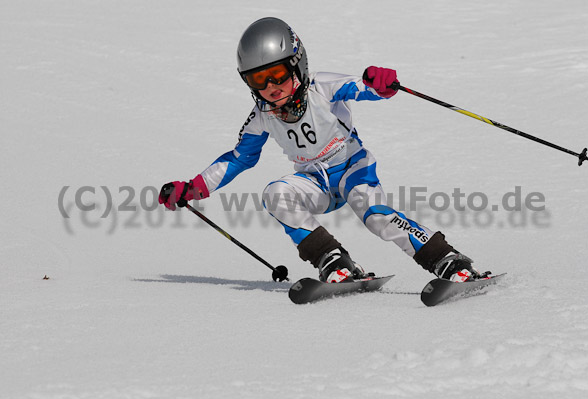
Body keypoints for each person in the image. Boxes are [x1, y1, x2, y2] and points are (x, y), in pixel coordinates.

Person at [159, 17, 480, 284]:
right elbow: (238, 159)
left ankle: (447, 260)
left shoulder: (323, 88)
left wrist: (381, 83)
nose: (271, 85)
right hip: (316, 183)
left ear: (297, 65)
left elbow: (366, 88)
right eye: (259, 78)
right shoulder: (262, 118)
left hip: (354, 171)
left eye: (279, 74)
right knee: (275, 193)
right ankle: (333, 259)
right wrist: (193, 188)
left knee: (377, 218)